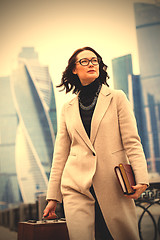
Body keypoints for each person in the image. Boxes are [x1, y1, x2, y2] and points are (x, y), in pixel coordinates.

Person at [43, 47, 149, 240]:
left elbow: (132, 141)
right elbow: (60, 154)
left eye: (95, 60)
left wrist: (141, 177)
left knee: (118, 235)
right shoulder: (67, 109)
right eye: (84, 61)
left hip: (113, 183)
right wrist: (53, 197)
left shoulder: (117, 98)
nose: (91, 63)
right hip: (76, 186)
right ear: (74, 69)